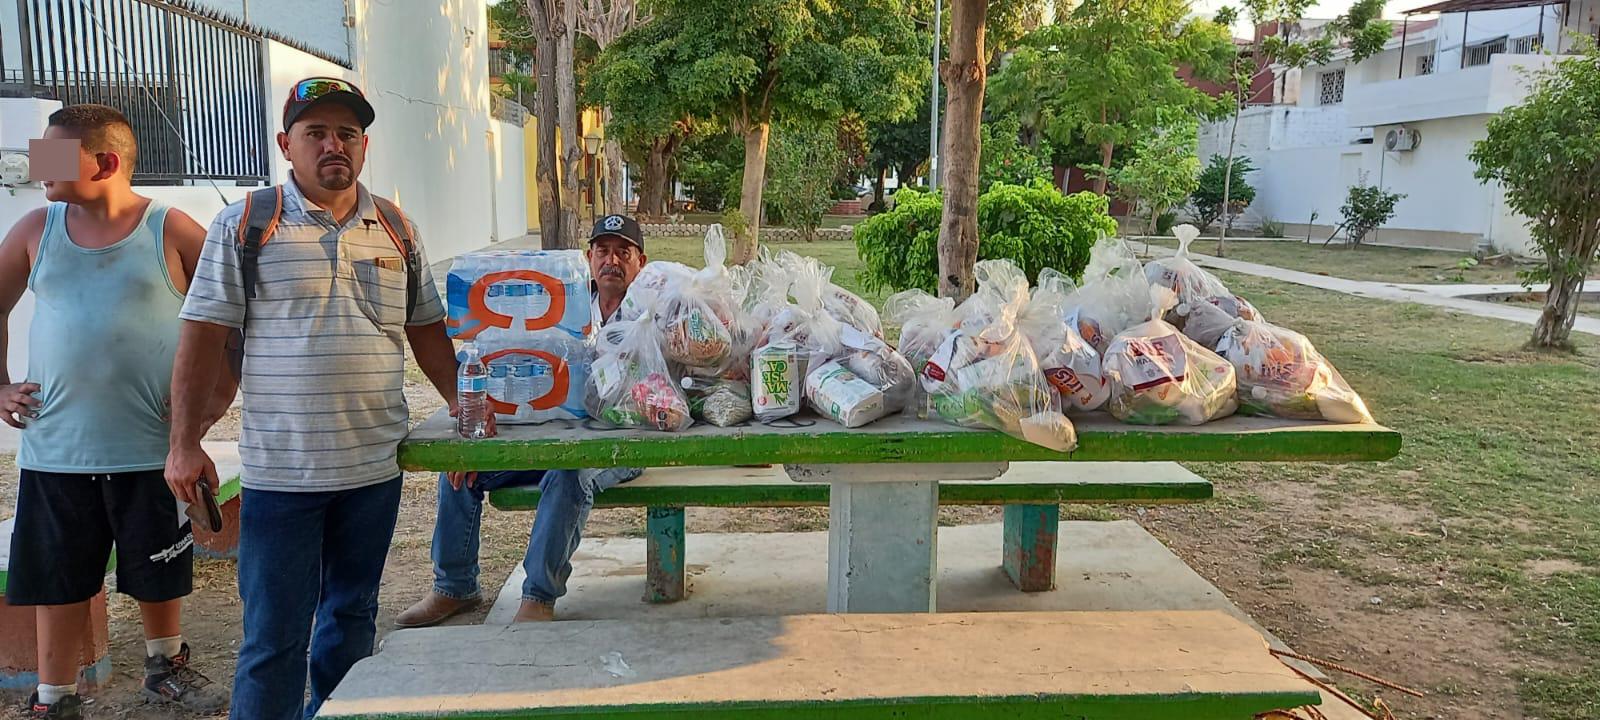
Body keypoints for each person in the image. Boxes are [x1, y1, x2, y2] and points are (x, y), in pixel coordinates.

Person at [163, 77, 460, 720]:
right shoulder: (245, 224)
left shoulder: (397, 226)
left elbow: (428, 332)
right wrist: (184, 444)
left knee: (352, 618)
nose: (334, 145)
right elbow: (203, 337)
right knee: (274, 638)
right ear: (285, 145)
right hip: (281, 478)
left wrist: (462, 411)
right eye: (316, 133)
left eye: (347, 133)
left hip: (372, 472)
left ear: (364, 145)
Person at [0, 105, 234, 719]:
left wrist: (209, 409)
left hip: (151, 450)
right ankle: (55, 695)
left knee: (159, 565)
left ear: (104, 162)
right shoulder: (34, 231)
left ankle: (165, 665)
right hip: (57, 450)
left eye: (52, 155)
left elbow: (229, 324)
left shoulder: (173, 230)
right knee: (58, 576)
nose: (37, 167)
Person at [394, 214, 648, 628]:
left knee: (571, 472)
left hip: (619, 441)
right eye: (603, 251)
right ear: (588, 258)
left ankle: (539, 597)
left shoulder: (649, 316)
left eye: (624, 252)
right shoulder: (560, 310)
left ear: (641, 262)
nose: (612, 261)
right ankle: (453, 586)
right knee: (462, 467)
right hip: (550, 433)